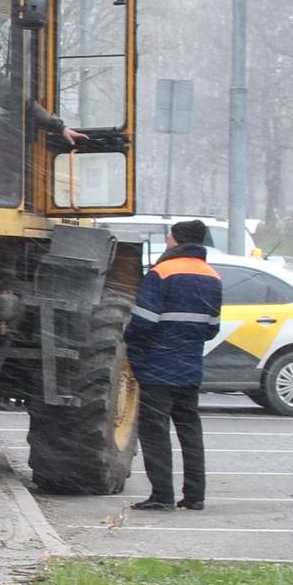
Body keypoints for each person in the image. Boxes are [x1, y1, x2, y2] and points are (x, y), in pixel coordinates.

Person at [123, 219, 222, 512]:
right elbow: (212, 328)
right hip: (190, 366)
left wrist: (134, 346)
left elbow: (143, 321)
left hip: (158, 366)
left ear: (175, 240)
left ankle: (162, 495)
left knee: (155, 431)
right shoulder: (212, 276)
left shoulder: (162, 272)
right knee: (189, 430)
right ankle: (195, 496)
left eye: (169, 237)